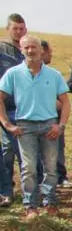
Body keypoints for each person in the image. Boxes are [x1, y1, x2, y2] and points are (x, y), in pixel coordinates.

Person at [0, 35, 70, 218]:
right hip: (25, 126)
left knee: (51, 167)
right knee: (29, 167)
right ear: (21, 50)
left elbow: (65, 102)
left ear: (41, 50)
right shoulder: (13, 74)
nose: (30, 51)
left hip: (49, 125)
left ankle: (50, 201)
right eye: (26, 48)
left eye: (34, 47)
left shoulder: (53, 75)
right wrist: (7, 124)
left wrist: (60, 125)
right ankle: (30, 206)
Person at [0, 13, 27, 207]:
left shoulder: (28, 48)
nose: (18, 31)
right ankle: (6, 191)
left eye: (21, 28)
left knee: (21, 150)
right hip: (4, 106)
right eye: (14, 28)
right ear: (8, 29)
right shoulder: (2, 50)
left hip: (24, 108)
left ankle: (27, 192)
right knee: (7, 150)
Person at [40, 39, 72, 188]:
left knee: (57, 150)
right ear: (42, 52)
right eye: (49, 52)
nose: (51, 54)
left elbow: (63, 99)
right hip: (37, 119)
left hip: (55, 120)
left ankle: (60, 177)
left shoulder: (54, 74)